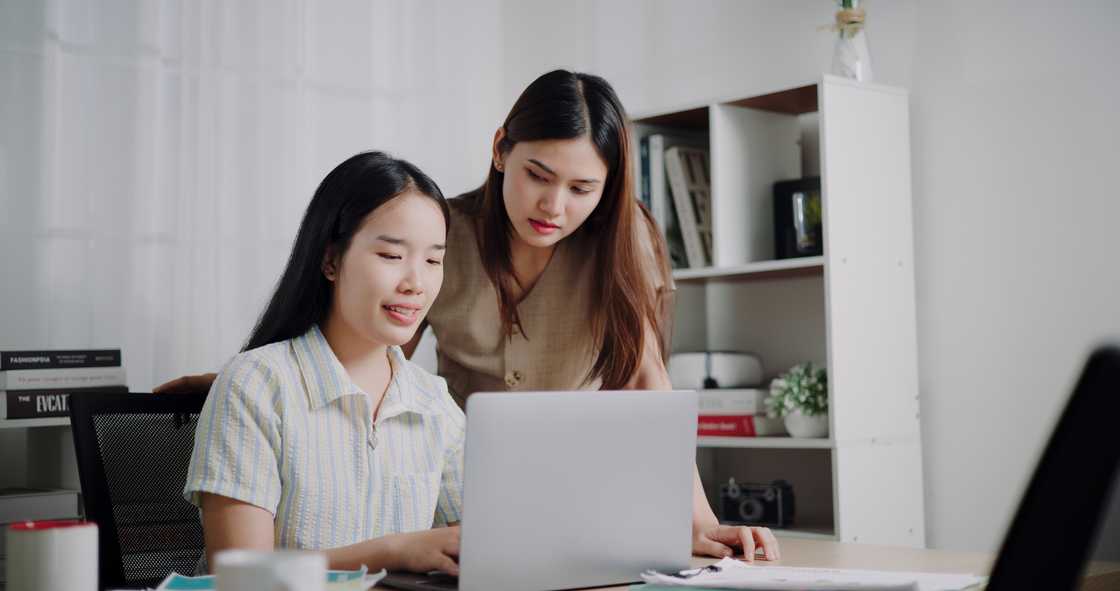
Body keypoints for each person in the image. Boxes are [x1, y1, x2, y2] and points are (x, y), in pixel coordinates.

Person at [163, 70, 781, 562]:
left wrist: (698, 521)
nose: (553, 205)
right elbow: (373, 358)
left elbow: (648, 384)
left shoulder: (622, 245)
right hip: (469, 491)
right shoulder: (437, 233)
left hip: (570, 501)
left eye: (581, 189)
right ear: (501, 150)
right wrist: (249, 381)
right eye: (538, 174)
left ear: (608, 186)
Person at [183, 152, 465, 575]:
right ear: (331, 260)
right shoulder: (256, 383)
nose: (416, 283)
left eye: (433, 260)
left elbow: (481, 545)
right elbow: (239, 574)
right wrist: (391, 551)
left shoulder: (434, 403)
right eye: (391, 256)